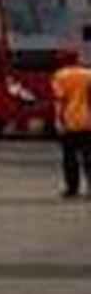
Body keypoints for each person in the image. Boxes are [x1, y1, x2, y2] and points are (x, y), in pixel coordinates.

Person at [51, 56, 91, 197]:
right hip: (87, 121)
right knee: (88, 156)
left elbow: (60, 100)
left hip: (69, 121)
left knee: (69, 157)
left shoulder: (60, 76)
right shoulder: (88, 74)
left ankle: (72, 188)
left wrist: (57, 120)